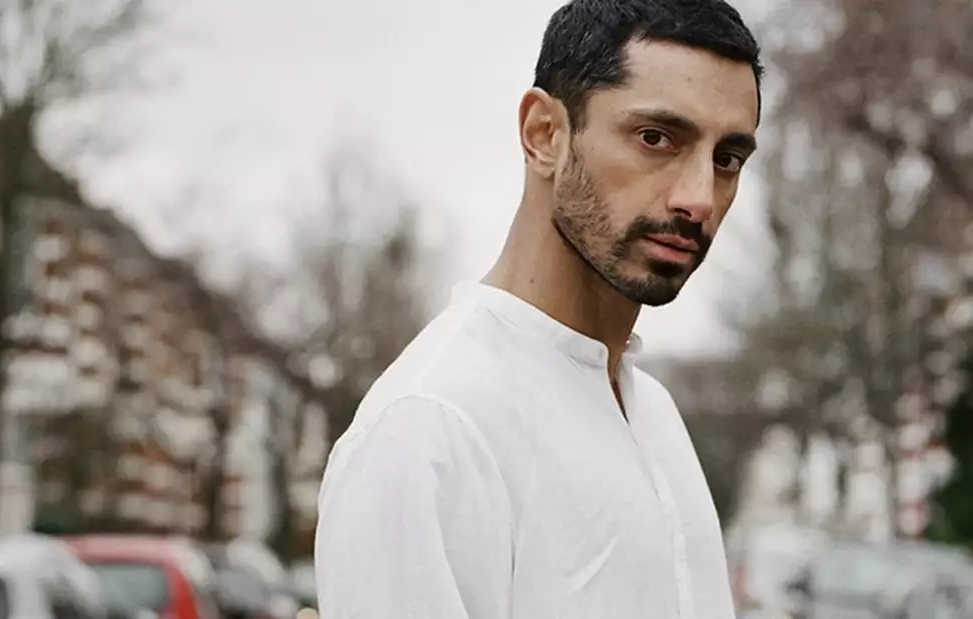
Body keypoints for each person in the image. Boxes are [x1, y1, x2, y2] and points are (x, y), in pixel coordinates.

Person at [314, 0, 763, 616]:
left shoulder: (654, 413)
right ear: (544, 134)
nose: (700, 199)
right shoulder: (430, 428)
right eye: (656, 138)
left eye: (726, 159)